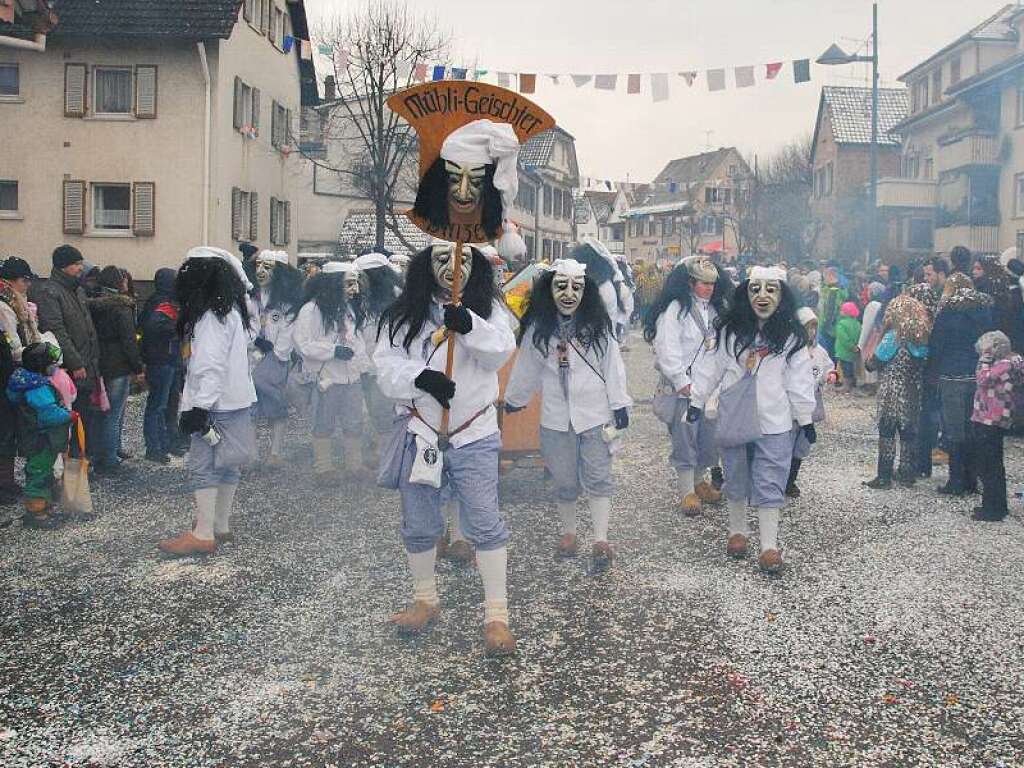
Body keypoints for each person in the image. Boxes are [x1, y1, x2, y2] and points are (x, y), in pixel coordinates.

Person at [376, 243, 517, 656]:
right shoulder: (402, 315)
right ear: (425, 266)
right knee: (419, 522)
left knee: (486, 522)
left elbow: (500, 354)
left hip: (474, 434)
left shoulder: (488, 311)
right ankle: (425, 599)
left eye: (461, 261)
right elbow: (385, 365)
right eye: (442, 259)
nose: (452, 267)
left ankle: (496, 615)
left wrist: (469, 325)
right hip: (421, 433)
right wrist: (422, 379)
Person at [688, 267, 817, 574]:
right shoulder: (729, 332)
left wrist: (805, 418)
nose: (762, 297)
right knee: (736, 474)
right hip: (735, 417)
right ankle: (737, 532)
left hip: (775, 420)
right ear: (745, 294)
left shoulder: (791, 337)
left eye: (770, 290)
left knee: (771, 479)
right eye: (755, 289)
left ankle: (769, 546)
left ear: (782, 295)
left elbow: (799, 380)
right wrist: (696, 400)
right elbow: (710, 368)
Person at [505, 258, 632, 566]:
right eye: (561, 286)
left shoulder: (599, 328)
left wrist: (619, 404)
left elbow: (612, 367)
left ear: (585, 292)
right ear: (550, 290)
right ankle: (569, 531)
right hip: (556, 416)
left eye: (576, 288)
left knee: (598, 476)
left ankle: (600, 538)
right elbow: (528, 367)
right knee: (564, 480)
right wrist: (515, 397)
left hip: (594, 415)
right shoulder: (539, 328)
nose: (568, 294)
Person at [157, 248, 257, 557]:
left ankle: (202, 533)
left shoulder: (210, 317)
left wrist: (199, 407)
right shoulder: (233, 311)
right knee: (228, 465)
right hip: (237, 400)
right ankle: (220, 525)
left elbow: (209, 366)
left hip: (214, 405)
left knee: (204, 467)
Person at [644, 256, 732, 516]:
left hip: (710, 389)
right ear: (690, 283)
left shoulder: (718, 310)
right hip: (684, 388)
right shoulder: (676, 309)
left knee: (708, 439)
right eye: (703, 283)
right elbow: (666, 347)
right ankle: (687, 491)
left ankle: (698, 481)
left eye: (712, 284)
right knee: (684, 439)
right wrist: (681, 380)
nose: (708, 288)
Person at [292, 261, 368, 484]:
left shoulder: (348, 309)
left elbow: (357, 339)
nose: (354, 289)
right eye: (349, 284)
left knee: (354, 421)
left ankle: (354, 465)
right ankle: (323, 468)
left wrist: (362, 365)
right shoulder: (311, 310)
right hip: (327, 377)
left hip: (351, 377)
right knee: (323, 422)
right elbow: (302, 343)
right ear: (335, 284)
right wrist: (333, 350)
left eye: (355, 284)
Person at [32, 246, 102, 462]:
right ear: (63, 266)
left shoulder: (77, 290)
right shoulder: (51, 292)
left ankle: (81, 458)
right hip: (70, 368)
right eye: (76, 264)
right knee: (69, 416)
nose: (81, 268)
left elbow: (86, 326)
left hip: (86, 363)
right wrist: (76, 362)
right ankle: (69, 464)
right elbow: (58, 330)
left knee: (85, 415)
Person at [929, 273, 994, 496]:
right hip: (976, 374)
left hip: (952, 375)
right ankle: (972, 479)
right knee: (973, 426)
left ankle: (956, 481)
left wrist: (931, 373)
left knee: (955, 429)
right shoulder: (983, 309)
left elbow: (936, 345)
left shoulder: (947, 312)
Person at [863, 291, 932, 489]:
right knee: (908, 433)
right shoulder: (922, 339)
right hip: (912, 391)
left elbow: (873, 363)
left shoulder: (894, 337)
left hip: (891, 392)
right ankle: (907, 473)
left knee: (887, 432)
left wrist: (869, 359)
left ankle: (884, 476)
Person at [6, 342, 72, 529]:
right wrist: (68, 415)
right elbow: (48, 413)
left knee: (41, 468)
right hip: (42, 437)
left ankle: (44, 505)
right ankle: (36, 512)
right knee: (39, 472)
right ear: (40, 365)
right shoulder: (37, 388)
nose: (54, 366)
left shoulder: (24, 382)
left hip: (32, 435)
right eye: (50, 363)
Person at [249, 251, 304, 468]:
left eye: (268, 267)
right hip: (251, 358)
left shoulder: (287, 303)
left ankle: (275, 453)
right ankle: (252, 455)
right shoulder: (249, 298)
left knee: (275, 406)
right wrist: (254, 342)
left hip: (275, 360)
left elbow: (288, 331)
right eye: (259, 265)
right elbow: (245, 327)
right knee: (250, 408)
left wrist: (277, 354)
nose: (261, 271)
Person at [89, 266, 143, 475]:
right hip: (118, 364)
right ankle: (110, 459)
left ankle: (100, 454)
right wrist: (137, 366)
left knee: (100, 412)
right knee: (114, 413)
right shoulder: (122, 307)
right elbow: (129, 340)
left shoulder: (92, 305)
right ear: (119, 283)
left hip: (98, 362)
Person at [0, 256, 42, 502]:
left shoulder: (17, 303)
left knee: (10, 431)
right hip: (8, 372)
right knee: (5, 431)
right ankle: (4, 484)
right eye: (24, 280)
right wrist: (35, 354)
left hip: (14, 370)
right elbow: (13, 344)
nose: (27, 284)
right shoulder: (5, 307)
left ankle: (7, 480)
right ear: (11, 281)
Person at [971, 331, 1022, 522]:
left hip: (990, 418)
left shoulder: (1002, 366)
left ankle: (992, 508)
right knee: (994, 463)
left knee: (989, 464)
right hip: (996, 418)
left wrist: (984, 359)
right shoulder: (1013, 363)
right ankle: (995, 504)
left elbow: (983, 379)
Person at [354, 251, 402, 456]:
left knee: (384, 409)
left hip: (388, 364)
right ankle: (379, 448)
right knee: (372, 409)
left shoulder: (397, 298)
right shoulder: (362, 299)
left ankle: (387, 453)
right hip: (366, 363)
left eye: (362, 277)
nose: (358, 282)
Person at [787, 308, 835, 497]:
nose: (812, 332)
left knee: (802, 445)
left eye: (814, 327)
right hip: (791, 407)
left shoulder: (820, 351)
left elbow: (827, 368)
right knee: (785, 444)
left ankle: (791, 480)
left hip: (811, 402)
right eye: (808, 327)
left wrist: (830, 374)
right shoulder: (790, 350)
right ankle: (779, 480)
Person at [138, 268, 180, 464]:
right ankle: (154, 448)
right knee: (158, 406)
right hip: (161, 359)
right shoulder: (162, 304)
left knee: (163, 404)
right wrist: (178, 328)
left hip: (163, 358)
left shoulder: (157, 301)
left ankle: (162, 444)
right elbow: (155, 328)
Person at [857, 282, 887, 390]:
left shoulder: (872, 305)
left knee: (868, 357)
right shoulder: (882, 304)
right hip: (879, 335)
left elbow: (867, 325)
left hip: (872, 337)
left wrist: (860, 344)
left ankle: (870, 386)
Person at [816, 265, 847, 358]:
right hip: (834, 328)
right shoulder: (838, 289)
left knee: (828, 355)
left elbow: (831, 310)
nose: (824, 279)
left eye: (825, 276)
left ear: (831, 276)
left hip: (829, 330)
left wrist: (825, 326)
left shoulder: (833, 291)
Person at [834, 301, 862, 393]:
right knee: (851, 367)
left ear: (845, 312)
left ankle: (846, 386)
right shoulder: (858, 324)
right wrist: (854, 347)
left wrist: (850, 346)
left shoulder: (841, 324)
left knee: (846, 369)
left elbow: (843, 338)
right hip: (854, 351)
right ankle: (853, 383)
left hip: (843, 351)